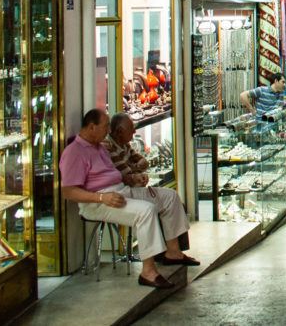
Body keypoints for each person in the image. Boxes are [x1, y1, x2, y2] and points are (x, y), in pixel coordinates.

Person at [60, 109, 198, 289]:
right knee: (146, 211)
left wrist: (133, 179)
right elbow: (68, 191)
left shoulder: (100, 147)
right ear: (92, 127)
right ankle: (148, 271)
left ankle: (173, 252)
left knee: (169, 197)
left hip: (121, 191)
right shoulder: (74, 152)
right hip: (97, 202)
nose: (108, 131)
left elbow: (114, 175)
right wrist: (101, 197)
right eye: (105, 126)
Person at [104, 112, 150, 187]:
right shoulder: (109, 147)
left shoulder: (124, 144)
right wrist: (137, 168)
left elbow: (144, 163)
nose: (134, 131)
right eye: (131, 128)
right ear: (120, 132)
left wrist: (136, 167)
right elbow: (127, 173)